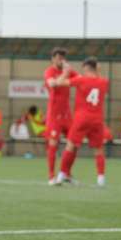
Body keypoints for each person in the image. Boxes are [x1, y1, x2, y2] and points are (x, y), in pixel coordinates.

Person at [53, 58, 110, 186]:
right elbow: (98, 78)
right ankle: (101, 179)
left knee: (70, 146)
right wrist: (98, 70)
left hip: (81, 119)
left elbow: (58, 83)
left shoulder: (81, 80)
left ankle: (61, 176)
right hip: (97, 120)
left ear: (86, 68)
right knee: (99, 149)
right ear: (96, 68)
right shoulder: (104, 82)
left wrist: (66, 72)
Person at [43, 48, 78, 184]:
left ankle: (67, 174)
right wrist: (65, 73)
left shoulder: (68, 71)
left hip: (67, 114)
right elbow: (53, 84)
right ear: (53, 59)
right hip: (54, 115)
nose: (61, 61)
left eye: (63, 58)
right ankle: (51, 176)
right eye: (58, 58)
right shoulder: (49, 71)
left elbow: (81, 79)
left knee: (74, 143)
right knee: (53, 144)